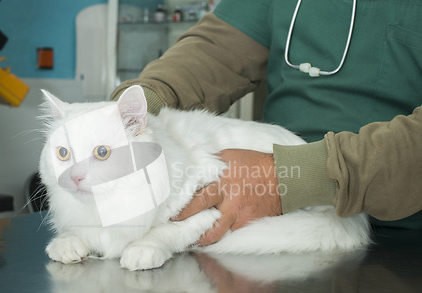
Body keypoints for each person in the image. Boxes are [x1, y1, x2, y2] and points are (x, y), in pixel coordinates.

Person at [111, 0, 422, 245]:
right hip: (273, 218)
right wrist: (132, 112)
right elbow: (216, 50)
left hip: (404, 239)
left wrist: (291, 176)